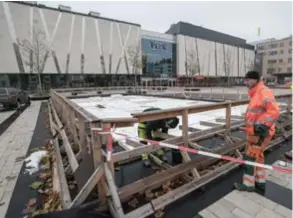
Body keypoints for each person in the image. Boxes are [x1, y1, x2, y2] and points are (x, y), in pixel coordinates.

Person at [234, 71, 280, 192]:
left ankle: (248, 185)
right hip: (255, 132)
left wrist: (262, 126)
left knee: (250, 157)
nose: (245, 82)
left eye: (248, 80)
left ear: (255, 80)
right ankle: (260, 182)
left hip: (260, 133)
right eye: (245, 80)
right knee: (258, 157)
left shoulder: (263, 92)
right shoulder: (256, 93)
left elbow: (274, 111)